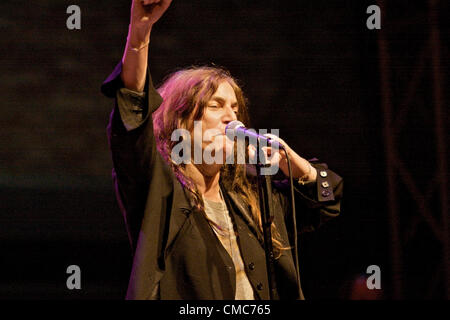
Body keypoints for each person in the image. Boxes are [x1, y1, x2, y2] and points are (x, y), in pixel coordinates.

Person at [101, 0, 343, 300]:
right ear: (183, 122)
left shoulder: (253, 198)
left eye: (235, 108)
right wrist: (140, 34)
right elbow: (133, 116)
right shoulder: (159, 191)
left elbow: (328, 200)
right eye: (216, 106)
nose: (232, 117)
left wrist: (291, 162)